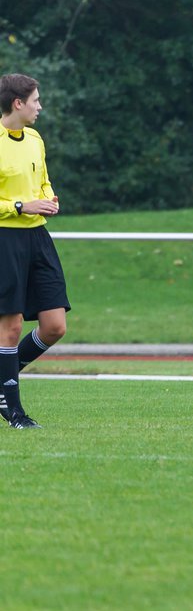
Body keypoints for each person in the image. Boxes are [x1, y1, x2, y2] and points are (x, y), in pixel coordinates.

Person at [0, 73, 70, 429]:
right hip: (5, 238)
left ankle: (1, 378)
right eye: (36, 100)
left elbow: (42, 178)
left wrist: (47, 197)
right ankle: (14, 411)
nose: (40, 106)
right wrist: (19, 206)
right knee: (9, 328)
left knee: (55, 325)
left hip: (38, 238)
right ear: (17, 103)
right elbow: (13, 202)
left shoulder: (35, 138)